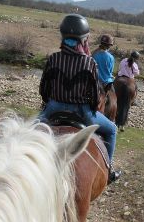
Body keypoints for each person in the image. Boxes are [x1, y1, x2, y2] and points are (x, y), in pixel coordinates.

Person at [39, 14, 121, 183]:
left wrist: (51, 101)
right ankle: (109, 171)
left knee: (27, 131)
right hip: (82, 111)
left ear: (63, 37)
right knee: (112, 130)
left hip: (54, 107)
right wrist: (88, 106)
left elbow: (43, 89)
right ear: (84, 39)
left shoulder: (53, 58)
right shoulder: (89, 62)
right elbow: (93, 93)